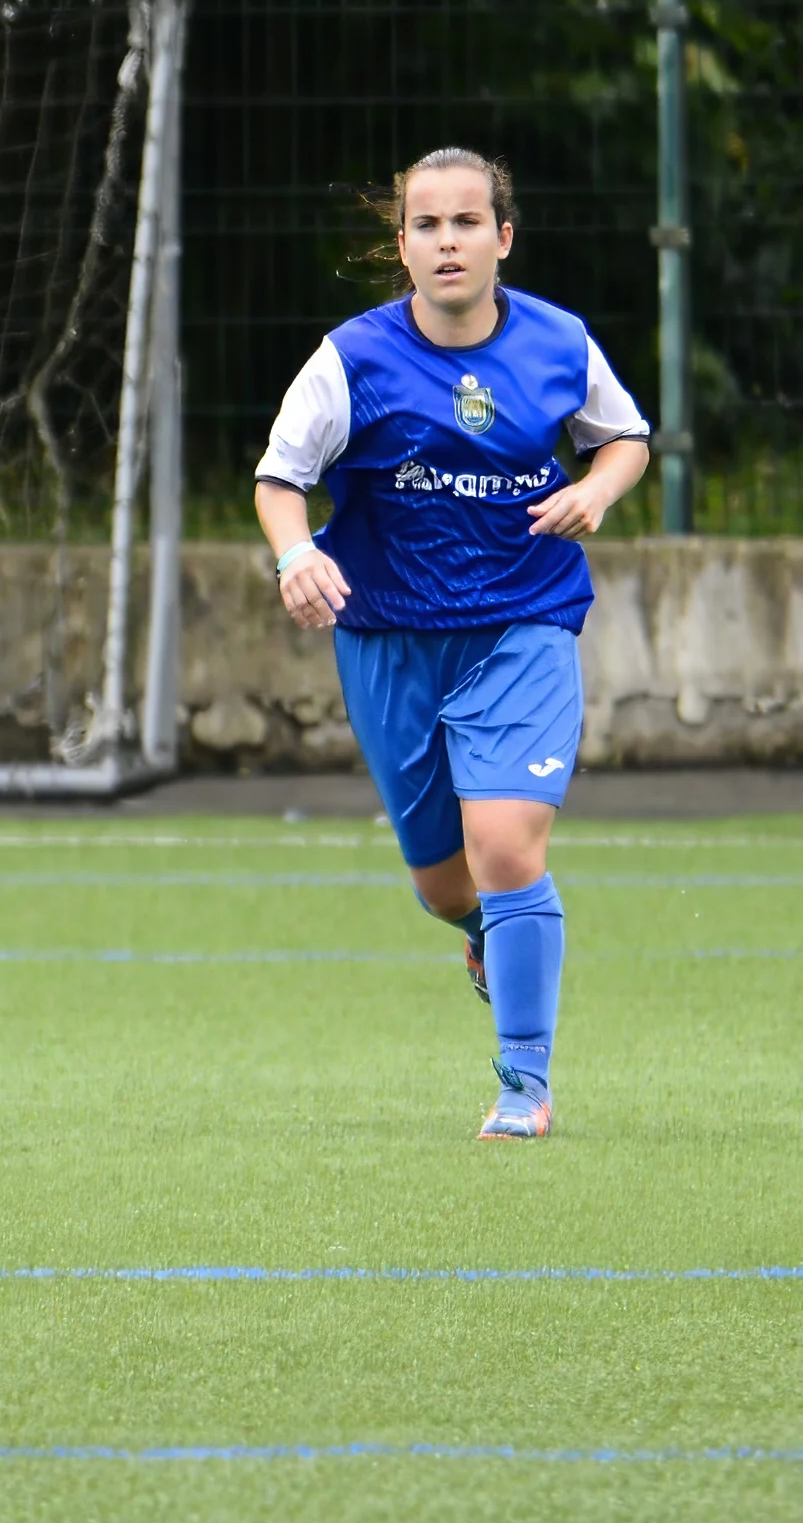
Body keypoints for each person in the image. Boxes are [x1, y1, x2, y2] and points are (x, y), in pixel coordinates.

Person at [254, 147, 651, 1140]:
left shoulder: (558, 343)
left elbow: (624, 437)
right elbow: (278, 477)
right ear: (402, 246)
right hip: (389, 641)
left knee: (505, 846)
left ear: (501, 238)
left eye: (466, 222)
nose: (447, 241)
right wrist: (295, 554)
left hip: (522, 624)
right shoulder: (351, 359)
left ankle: (524, 1084)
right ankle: (483, 932)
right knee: (442, 885)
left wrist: (596, 490)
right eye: (426, 225)